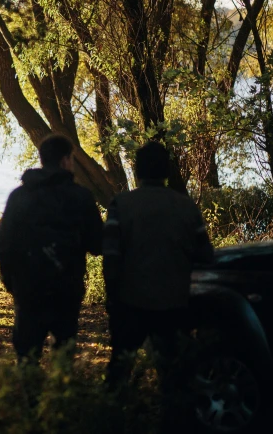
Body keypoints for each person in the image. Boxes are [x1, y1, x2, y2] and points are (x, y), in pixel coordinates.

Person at [102, 141, 214, 396]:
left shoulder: (120, 205)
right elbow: (206, 256)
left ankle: (111, 417)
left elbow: (111, 258)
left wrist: (113, 298)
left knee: (119, 368)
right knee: (176, 374)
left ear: (137, 172)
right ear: (166, 172)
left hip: (130, 303)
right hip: (174, 303)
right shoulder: (186, 206)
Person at [0, 134, 103, 363]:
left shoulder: (20, 196)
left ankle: (30, 397)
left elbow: (3, 243)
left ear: (42, 159)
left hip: (28, 286)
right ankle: (59, 396)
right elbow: (97, 244)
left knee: (26, 354)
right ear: (65, 160)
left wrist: (10, 280)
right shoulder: (81, 197)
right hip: (67, 287)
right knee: (64, 355)